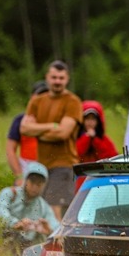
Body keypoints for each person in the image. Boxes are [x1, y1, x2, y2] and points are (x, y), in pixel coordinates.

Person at [20, 60, 83, 219]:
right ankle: (46, 242)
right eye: (54, 77)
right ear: (47, 77)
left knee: (54, 208)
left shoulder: (73, 101)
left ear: (67, 79)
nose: (57, 81)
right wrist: (52, 126)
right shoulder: (37, 101)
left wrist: (38, 131)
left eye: (61, 78)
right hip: (41, 165)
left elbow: (63, 133)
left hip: (63, 163)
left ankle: (58, 243)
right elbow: (24, 129)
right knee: (41, 206)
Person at [0, 162, 60, 256]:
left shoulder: (44, 207)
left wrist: (49, 230)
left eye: (39, 184)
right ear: (26, 180)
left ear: (44, 185)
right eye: (32, 182)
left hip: (19, 243)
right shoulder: (9, 192)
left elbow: (56, 227)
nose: (35, 187)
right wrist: (15, 223)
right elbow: (0, 210)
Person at [6, 80, 49, 185]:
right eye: (39, 95)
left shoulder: (55, 120)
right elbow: (10, 149)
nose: (42, 99)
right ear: (32, 97)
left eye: (46, 96)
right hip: (27, 168)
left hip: (49, 167)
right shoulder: (21, 120)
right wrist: (19, 175)